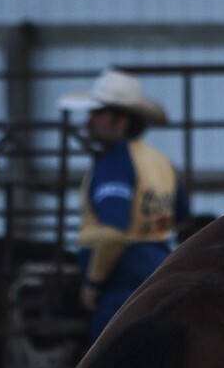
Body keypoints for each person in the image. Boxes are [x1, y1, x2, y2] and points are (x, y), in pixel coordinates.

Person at [63, 68, 188, 341]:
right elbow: (180, 217)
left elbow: (114, 231)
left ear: (121, 121)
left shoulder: (114, 164)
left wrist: (93, 283)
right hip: (157, 273)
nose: (89, 121)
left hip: (120, 285)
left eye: (98, 114)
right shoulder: (161, 162)